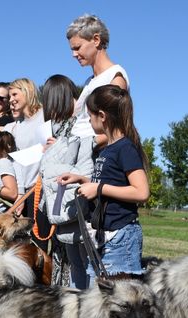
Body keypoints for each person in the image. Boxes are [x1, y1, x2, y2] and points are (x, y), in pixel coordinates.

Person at [58, 84, 149, 284]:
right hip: (107, 235)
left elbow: (141, 192)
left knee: (115, 301)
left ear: (102, 116)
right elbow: (112, 184)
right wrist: (84, 181)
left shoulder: (125, 148)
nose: (89, 120)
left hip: (121, 236)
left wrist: (98, 188)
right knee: (102, 300)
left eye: (90, 116)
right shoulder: (109, 149)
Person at [41, 74, 94, 289]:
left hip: (76, 204)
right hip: (61, 203)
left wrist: (55, 149)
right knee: (73, 263)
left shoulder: (82, 124)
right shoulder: (61, 126)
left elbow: (82, 162)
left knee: (83, 262)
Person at [66, 14, 129, 149]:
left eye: (77, 48)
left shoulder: (115, 77)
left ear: (96, 40)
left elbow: (116, 129)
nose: (74, 54)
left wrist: (85, 146)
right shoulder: (90, 81)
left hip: (92, 156)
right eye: (72, 49)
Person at [3, 78, 50, 252]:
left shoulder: (45, 116)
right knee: (27, 242)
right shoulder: (15, 127)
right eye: (9, 96)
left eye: (15, 94)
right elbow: (16, 163)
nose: (11, 99)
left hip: (44, 187)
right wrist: (20, 193)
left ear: (27, 91)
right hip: (27, 190)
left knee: (44, 239)